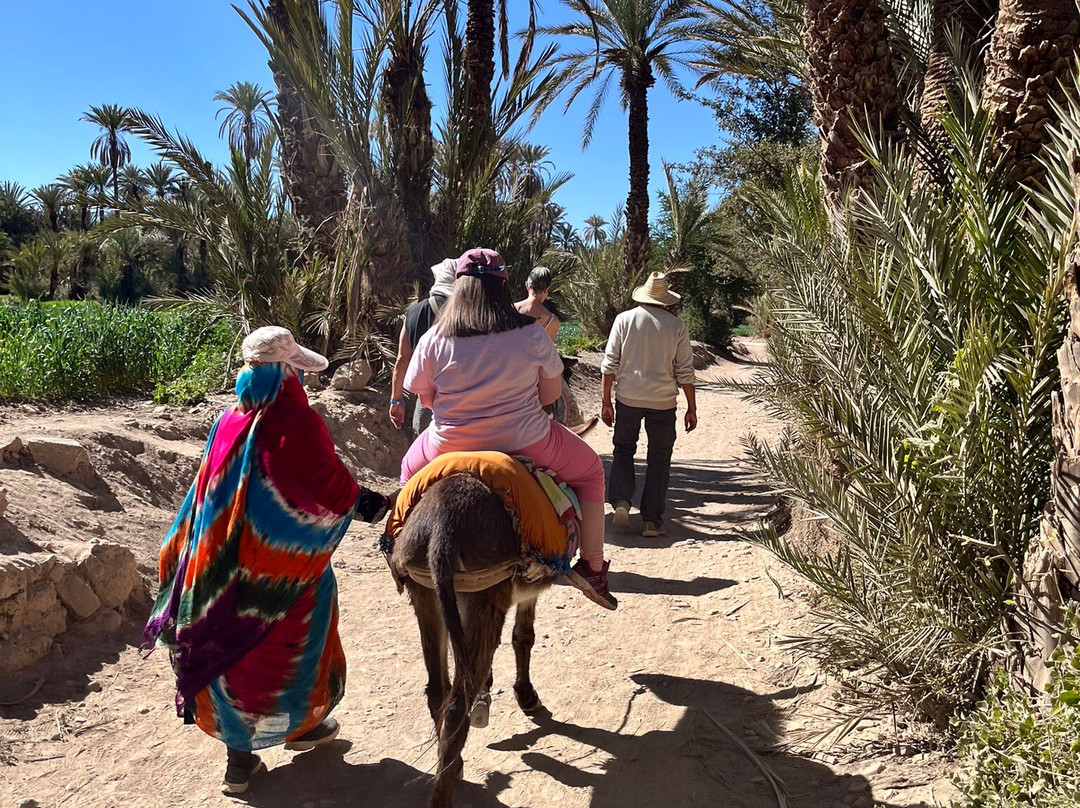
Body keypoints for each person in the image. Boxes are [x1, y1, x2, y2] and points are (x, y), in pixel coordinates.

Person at [142, 326, 394, 796]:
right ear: (285, 372)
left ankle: (241, 762)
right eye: (296, 371)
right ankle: (301, 722)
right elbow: (326, 486)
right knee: (297, 648)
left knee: (232, 658)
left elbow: (210, 494)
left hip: (219, 572)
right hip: (283, 574)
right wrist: (372, 504)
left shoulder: (228, 420)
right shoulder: (296, 422)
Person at [401, 248, 617, 610]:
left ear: (460, 286)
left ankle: (399, 550)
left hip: (448, 443)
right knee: (592, 472)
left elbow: (425, 399)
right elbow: (549, 395)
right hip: (528, 439)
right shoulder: (531, 334)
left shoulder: (434, 339)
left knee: (408, 473)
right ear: (505, 285)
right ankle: (593, 567)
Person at [601, 272, 697, 538]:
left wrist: (606, 401)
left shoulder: (624, 320)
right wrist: (692, 407)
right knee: (659, 458)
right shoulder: (676, 326)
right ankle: (651, 521)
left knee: (623, 449)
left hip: (628, 398)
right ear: (666, 299)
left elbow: (609, 365)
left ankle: (621, 501)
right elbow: (685, 371)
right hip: (663, 403)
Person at [390, 258, 457, 436]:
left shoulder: (413, 313)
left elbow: (402, 360)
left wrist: (396, 400)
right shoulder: (468, 313)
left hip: (426, 398)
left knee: (424, 451)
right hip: (463, 398)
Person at [514, 266, 561, 341]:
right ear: (547, 289)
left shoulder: (512, 309)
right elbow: (549, 351)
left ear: (527, 286)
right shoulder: (552, 321)